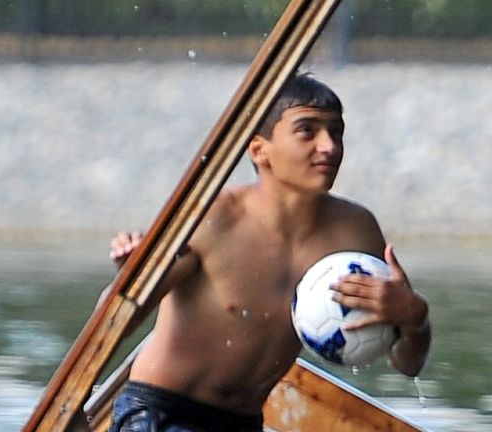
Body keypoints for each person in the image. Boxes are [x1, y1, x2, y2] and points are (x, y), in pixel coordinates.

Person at [106, 74, 430, 432]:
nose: (329, 147)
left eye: (336, 132)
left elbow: (408, 363)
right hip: (159, 415)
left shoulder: (355, 231)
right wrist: (131, 279)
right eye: (307, 131)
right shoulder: (211, 217)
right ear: (259, 150)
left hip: (245, 423)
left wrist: (413, 315)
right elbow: (111, 327)